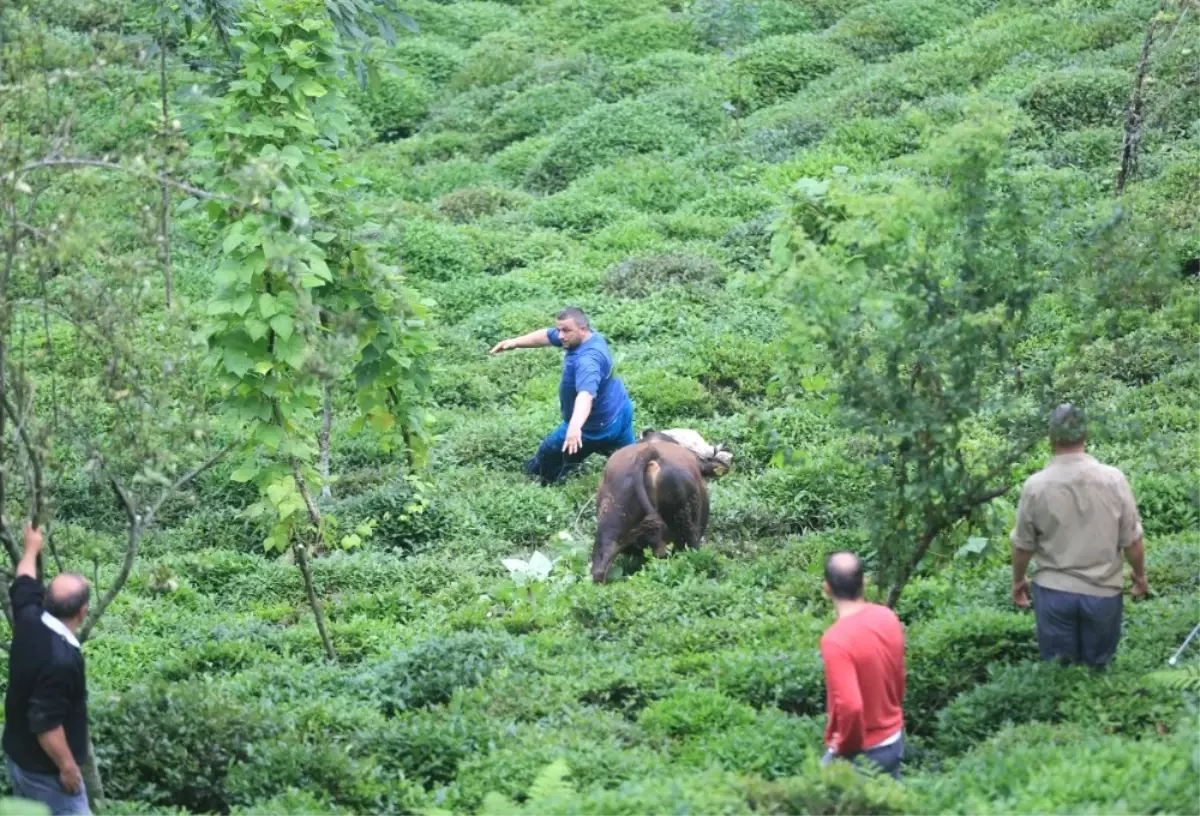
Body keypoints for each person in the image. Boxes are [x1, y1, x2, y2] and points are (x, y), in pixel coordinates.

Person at [1010, 403, 1149, 669]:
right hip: (1103, 594)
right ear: (1086, 435)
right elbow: (1132, 542)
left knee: (1059, 675)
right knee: (1097, 673)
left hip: (1053, 593)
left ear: (1050, 438)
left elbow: (1022, 546)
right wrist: (1140, 576)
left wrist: (1018, 581)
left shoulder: (1036, 486)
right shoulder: (1114, 479)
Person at [3, 522, 94, 814]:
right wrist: (67, 768)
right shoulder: (61, 660)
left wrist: (31, 548)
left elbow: (24, 581)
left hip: (18, 756)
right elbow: (45, 722)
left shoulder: (29, 619)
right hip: (46, 773)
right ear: (82, 611)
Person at [490, 306, 636, 485]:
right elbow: (546, 335)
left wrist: (574, 429)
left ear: (582, 329)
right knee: (632, 464)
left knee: (546, 457)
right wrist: (514, 342)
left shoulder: (587, 360)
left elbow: (586, 395)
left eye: (565, 330)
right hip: (620, 410)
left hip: (594, 427)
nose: (560, 335)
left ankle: (549, 483)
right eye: (559, 329)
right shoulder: (588, 337)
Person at [818, 552, 907, 780]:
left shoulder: (835, 640)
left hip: (863, 751)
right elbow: (899, 679)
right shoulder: (887, 617)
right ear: (864, 582)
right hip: (894, 739)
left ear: (827, 588)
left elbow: (851, 706)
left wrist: (844, 746)